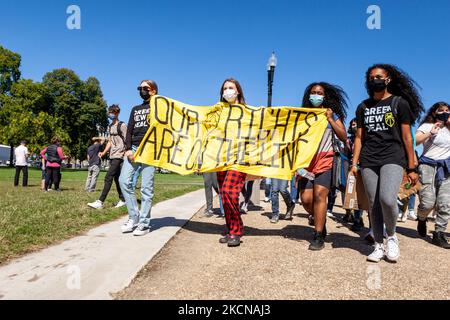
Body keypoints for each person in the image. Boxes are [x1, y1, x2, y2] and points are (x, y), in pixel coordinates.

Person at [352, 64, 424, 262]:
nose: (376, 79)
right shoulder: (363, 107)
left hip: (393, 156)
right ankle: (378, 243)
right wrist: (354, 162)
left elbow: (407, 138)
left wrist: (412, 166)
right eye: (372, 77)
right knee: (374, 203)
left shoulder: (399, 103)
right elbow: (359, 137)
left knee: (387, 199)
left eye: (379, 76)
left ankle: (391, 236)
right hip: (368, 158)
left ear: (388, 79)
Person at [298, 82, 348, 251]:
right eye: (313, 92)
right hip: (306, 161)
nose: (316, 95)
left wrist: (330, 119)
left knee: (320, 196)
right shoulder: (302, 115)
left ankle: (318, 235)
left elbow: (343, 136)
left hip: (325, 159)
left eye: (320, 93)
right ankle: (319, 218)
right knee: (306, 199)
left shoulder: (332, 115)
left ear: (325, 96)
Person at [207, 78, 248, 247]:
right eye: (225, 88)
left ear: (238, 91)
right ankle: (231, 229)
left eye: (231, 88)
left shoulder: (247, 112)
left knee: (230, 192)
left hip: (239, 159)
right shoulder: (219, 112)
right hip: (222, 158)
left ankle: (237, 231)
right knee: (224, 195)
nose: (228, 91)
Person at [119, 80, 158, 236]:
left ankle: (144, 224)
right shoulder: (135, 109)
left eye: (145, 88)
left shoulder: (160, 108)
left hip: (150, 150)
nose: (142, 90)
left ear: (154, 90)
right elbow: (129, 130)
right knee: (124, 181)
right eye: (140, 88)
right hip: (134, 149)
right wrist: (128, 148)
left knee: (146, 189)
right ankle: (134, 216)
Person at [415, 101, 450, 249]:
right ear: (434, 113)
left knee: (445, 203)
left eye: (447, 110)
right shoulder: (427, 126)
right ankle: (422, 218)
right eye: (441, 110)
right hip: (427, 165)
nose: (444, 113)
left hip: (446, 167)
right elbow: (415, 141)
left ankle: (439, 233)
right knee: (428, 201)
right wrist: (431, 133)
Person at [88, 105, 127, 210]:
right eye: (109, 112)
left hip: (119, 155)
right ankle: (123, 200)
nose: (110, 114)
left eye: (112, 112)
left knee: (108, 177)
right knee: (116, 178)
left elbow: (128, 140)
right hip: (112, 155)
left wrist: (127, 152)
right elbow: (110, 141)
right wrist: (104, 152)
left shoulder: (122, 125)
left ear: (117, 113)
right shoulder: (110, 126)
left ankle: (100, 201)